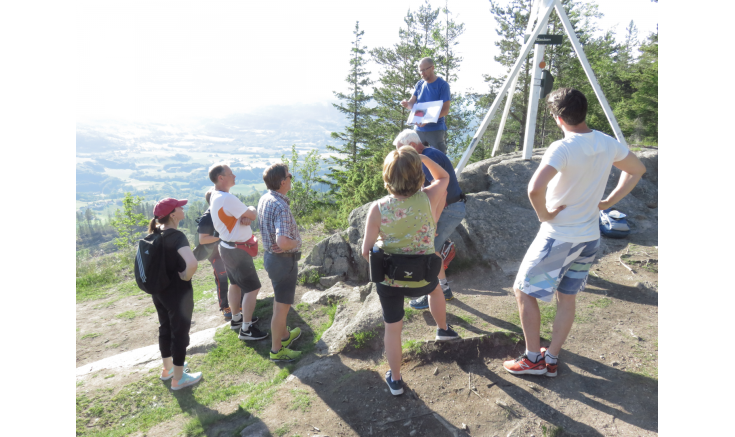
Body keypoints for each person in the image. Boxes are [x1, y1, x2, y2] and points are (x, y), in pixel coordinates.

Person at [503, 88, 646, 377]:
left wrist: (544, 215)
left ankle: (533, 360)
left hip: (558, 237)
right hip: (590, 238)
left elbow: (534, 188)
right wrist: (608, 202)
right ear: (584, 111)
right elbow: (637, 168)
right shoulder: (607, 143)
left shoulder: (563, 148)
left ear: (558, 118)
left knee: (524, 291)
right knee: (567, 298)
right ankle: (551, 358)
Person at [362, 146, 460, 396]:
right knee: (436, 290)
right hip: (424, 276)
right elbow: (445, 177)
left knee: (392, 329)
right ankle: (443, 329)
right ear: (419, 175)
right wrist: (423, 156)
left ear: (387, 177)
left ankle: (395, 380)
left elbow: (366, 251)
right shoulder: (428, 197)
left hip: (390, 281)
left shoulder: (378, 208)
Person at [391, 129, 466, 309]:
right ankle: (443, 289)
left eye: (402, 150)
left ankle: (429, 293)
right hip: (451, 207)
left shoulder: (425, 158)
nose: (401, 155)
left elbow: (441, 193)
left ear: (413, 145)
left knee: (428, 251)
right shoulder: (429, 154)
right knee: (432, 249)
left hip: (449, 209)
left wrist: (432, 223)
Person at [208, 163, 267, 340]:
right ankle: (247, 329)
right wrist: (250, 210)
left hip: (226, 247)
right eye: (231, 174)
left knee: (235, 283)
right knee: (252, 288)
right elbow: (252, 214)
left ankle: (236, 319)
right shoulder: (227, 198)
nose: (235, 176)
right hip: (237, 250)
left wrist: (243, 215)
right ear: (221, 178)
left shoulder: (215, 195)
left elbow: (240, 216)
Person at [148, 197, 203, 390]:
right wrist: (186, 277)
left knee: (165, 327)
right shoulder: (177, 236)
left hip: (159, 291)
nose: (183, 208)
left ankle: (168, 369)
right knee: (180, 333)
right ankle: (179, 379)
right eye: (180, 206)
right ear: (173, 214)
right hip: (178, 294)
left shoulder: (156, 234)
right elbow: (192, 263)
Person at [258, 163, 303, 362]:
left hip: (271, 258)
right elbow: (283, 242)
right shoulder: (281, 206)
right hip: (283, 262)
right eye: (290, 176)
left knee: (279, 301)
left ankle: (284, 335)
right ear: (283, 182)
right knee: (281, 306)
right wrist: (297, 242)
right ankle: (277, 351)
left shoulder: (266, 198)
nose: (291, 178)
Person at [196, 188, 258, 324]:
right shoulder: (207, 217)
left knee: (235, 280)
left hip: (226, 248)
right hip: (215, 252)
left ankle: (239, 306)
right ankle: (225, 307)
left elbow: (238, 220)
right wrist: (223, 237)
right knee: (222, 278)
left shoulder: (224, 211)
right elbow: (202, 239)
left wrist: (245, 218)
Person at [400, 57, 451, 154]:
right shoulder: (419, 84)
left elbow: (445, 110)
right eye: (420, 71)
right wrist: (407, 104)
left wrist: (427, 120)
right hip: (418, 129)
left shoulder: (443, 85)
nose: (422, 73)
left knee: (438, 158)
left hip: (435, 130)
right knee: (417, 159)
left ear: (432, 68)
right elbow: (412, 103)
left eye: (424, 70)